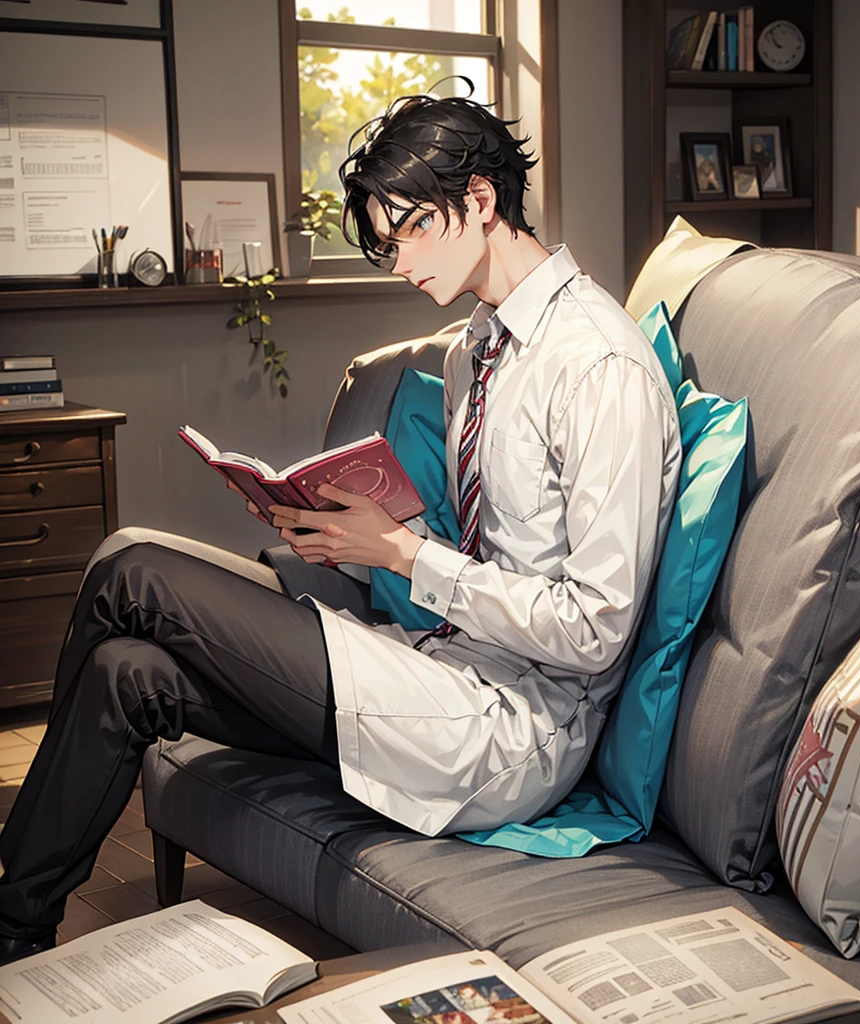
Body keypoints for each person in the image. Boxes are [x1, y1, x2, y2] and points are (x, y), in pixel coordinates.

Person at [0, 91, 681, 965]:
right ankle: (17, 931)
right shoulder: (475, 346)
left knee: (136, 567)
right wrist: (346, 525)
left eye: (407, 231)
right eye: (384, 240)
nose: (396, 263)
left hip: (512, 730)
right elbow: (491, 539)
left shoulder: (598, 365)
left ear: (480, 200)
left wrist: (405, 553)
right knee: (127, 672)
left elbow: (595, 629)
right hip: (435, 663)